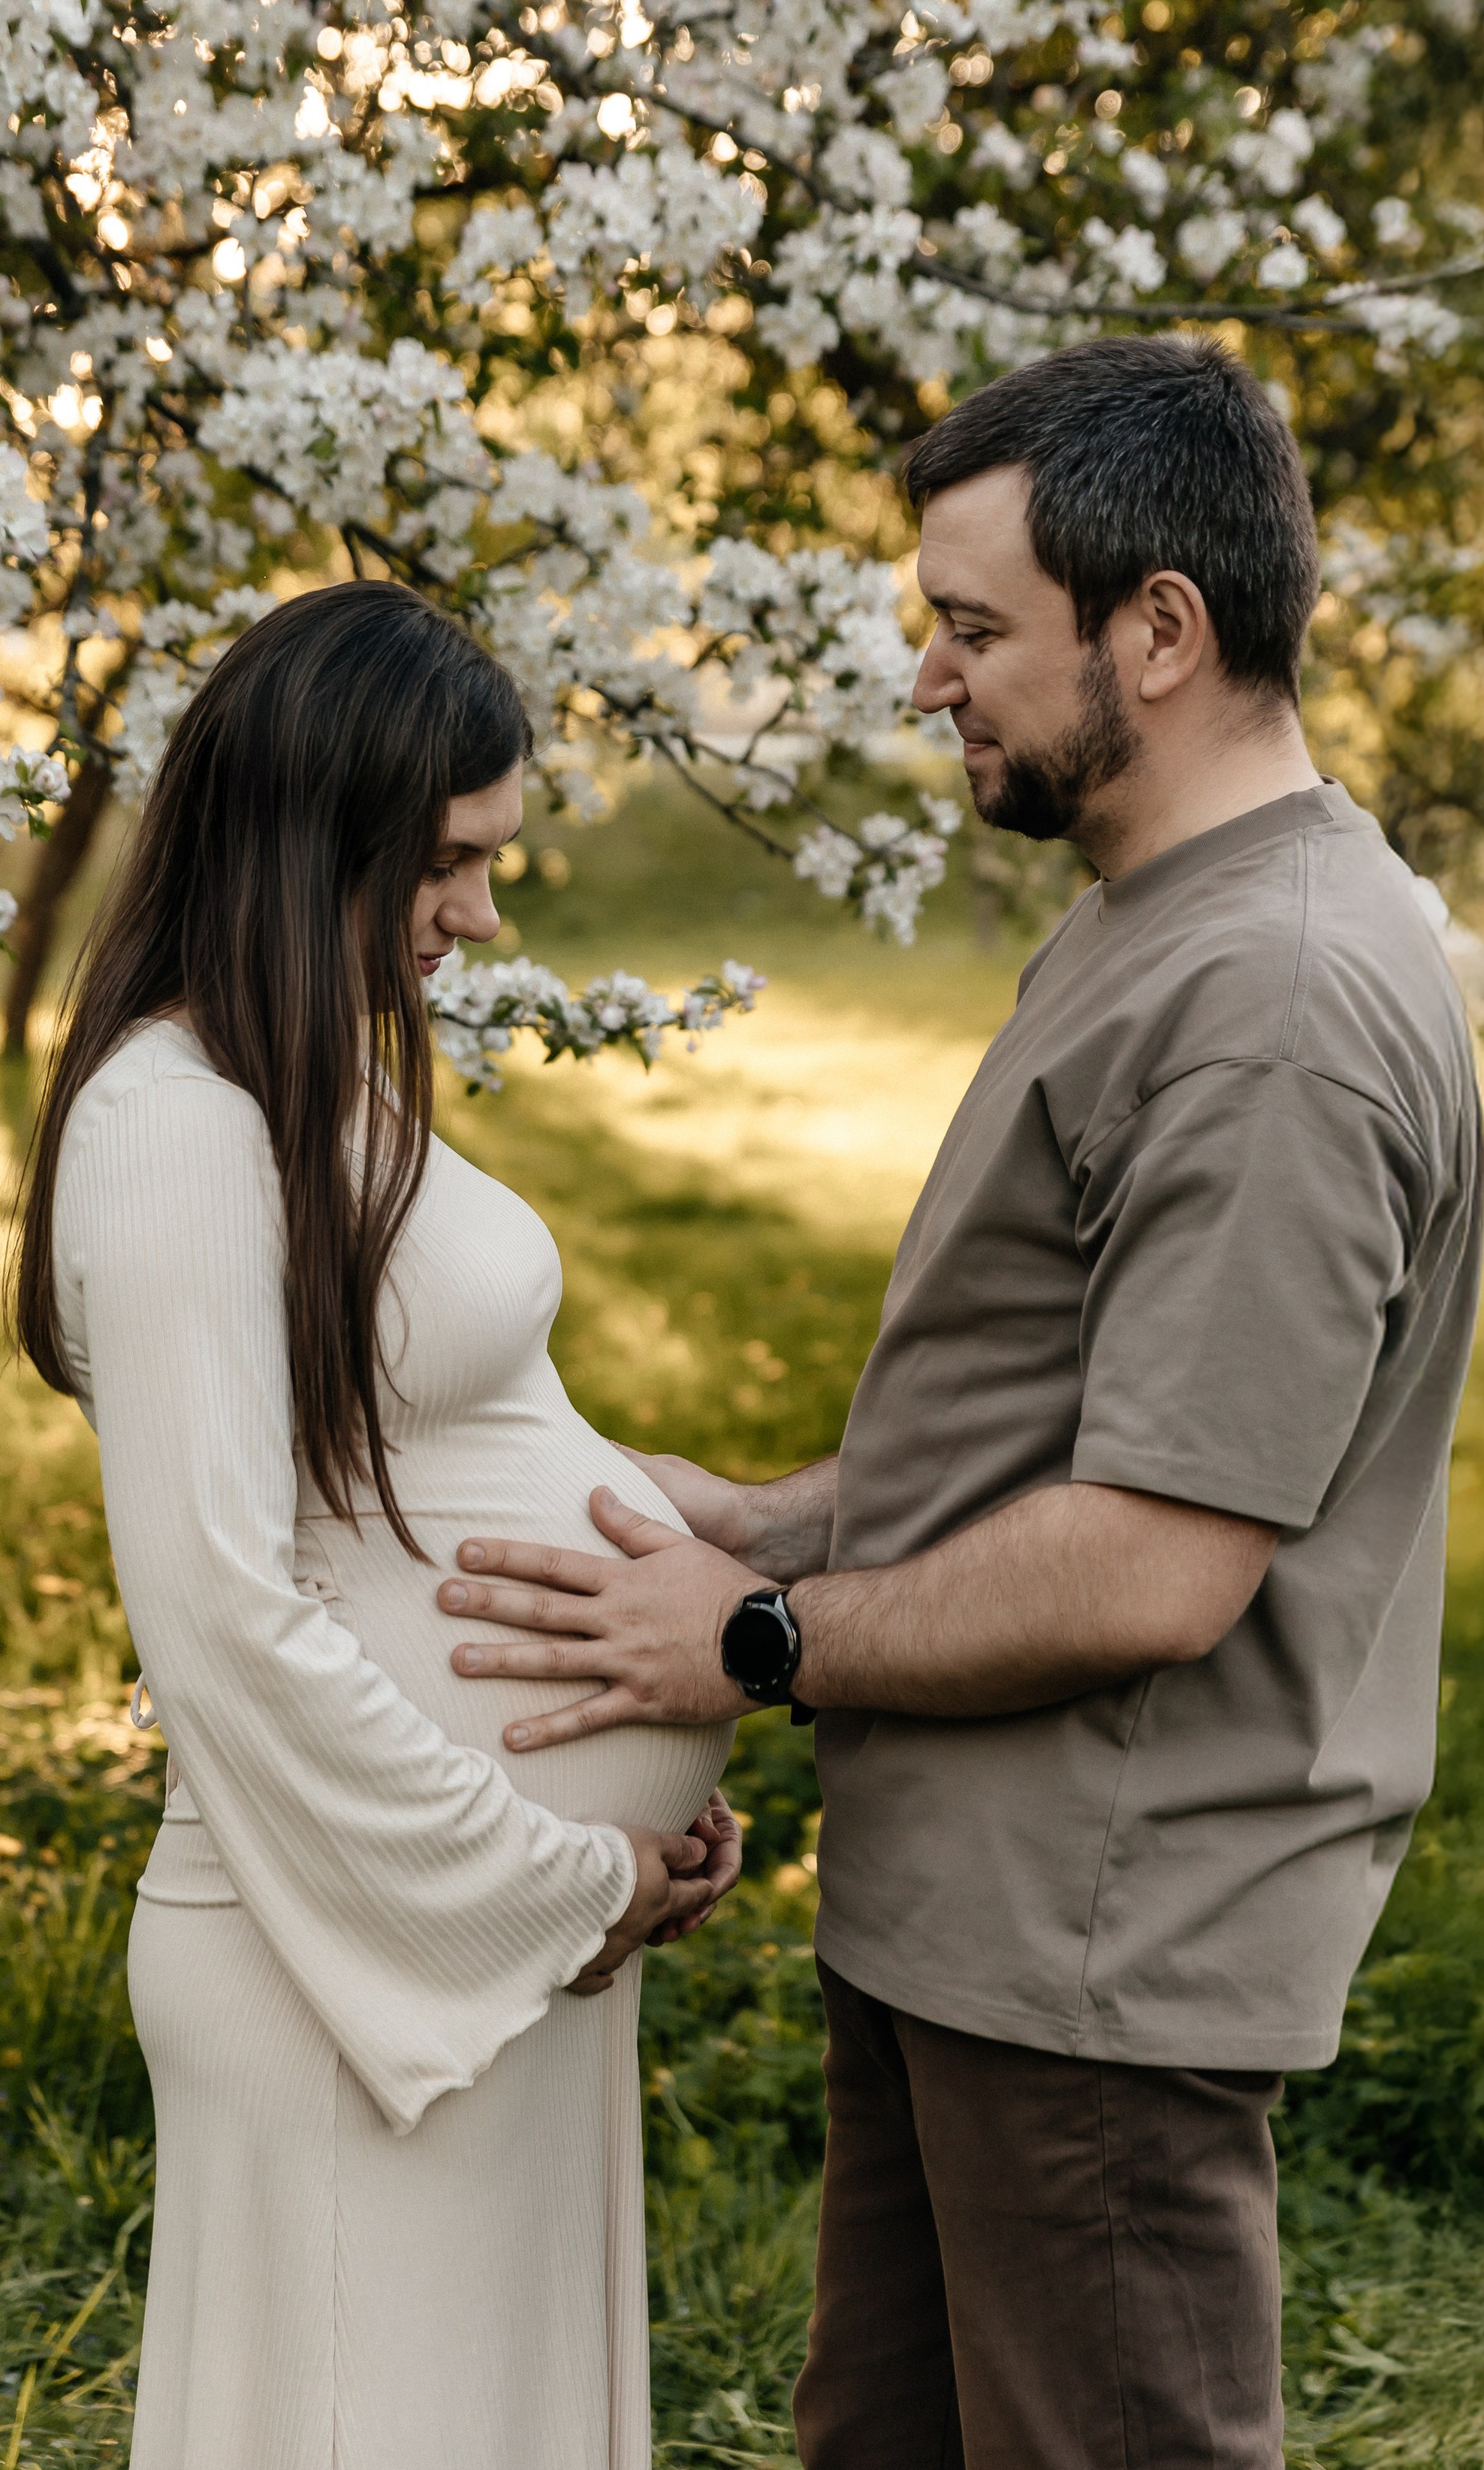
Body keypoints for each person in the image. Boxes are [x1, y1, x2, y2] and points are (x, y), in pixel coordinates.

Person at [433, 336, 1484, 2469]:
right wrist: (767, 1517)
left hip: (1097, 1950)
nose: (929, 680)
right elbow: (1062, 1429)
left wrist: (754, 1639)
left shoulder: (1274, 1006)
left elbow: (1156, 1559)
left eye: (976, 628)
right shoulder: (1160, 921)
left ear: (1158, 632)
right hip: (977, 1924)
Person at [9, 581, 740, 2470]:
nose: (481, 916)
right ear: (303, 839)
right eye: (445, 862)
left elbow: (437, 1447)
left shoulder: (301, 1083)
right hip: (352, 1959)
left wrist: (641, 1800)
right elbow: (219, 1617)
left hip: (477, 1942)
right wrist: (559, 1876)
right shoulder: (174, 1127)